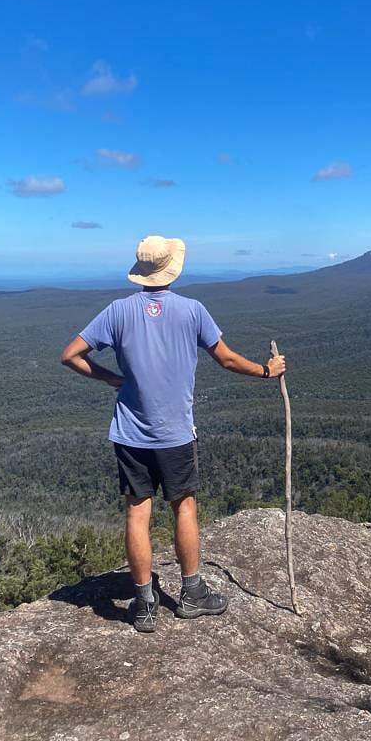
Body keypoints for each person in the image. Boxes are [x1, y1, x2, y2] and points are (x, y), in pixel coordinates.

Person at [60, 234, 286, 632]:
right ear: (171, 268)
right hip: (176, 434)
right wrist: (269, 371)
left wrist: (114, 379)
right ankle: (192, 593)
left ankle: (144, 604)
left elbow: (70, 355)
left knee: (137, 511)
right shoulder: (192, 311)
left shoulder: (117, 311)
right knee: (183, 506)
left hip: (130, 433)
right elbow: (228, 360)